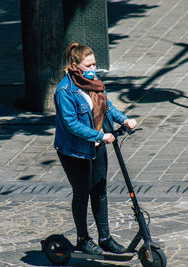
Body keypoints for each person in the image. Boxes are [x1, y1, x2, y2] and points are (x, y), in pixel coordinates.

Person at [54, 42, 138, 255]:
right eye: (88, 66)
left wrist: (125, 120)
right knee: (82, 193)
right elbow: (71, 124)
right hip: (74, 151)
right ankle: (83, 238)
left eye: (94, 65)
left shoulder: (95, 85)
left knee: (99, 192)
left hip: (97, 147)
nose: (93, 70)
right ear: (75, 66)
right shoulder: (64, 91)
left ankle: (105, 238)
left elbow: (107, 108)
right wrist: (100, 135)